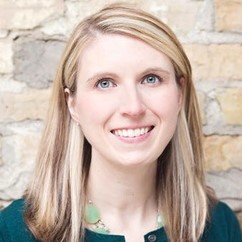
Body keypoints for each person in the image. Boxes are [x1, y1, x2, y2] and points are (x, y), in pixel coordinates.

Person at [0, 3, 241, 242]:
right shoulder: (12, 232)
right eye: (105, 83)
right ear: (71, 103)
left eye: (151, 78)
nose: (133, 107)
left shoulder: (220, 226)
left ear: (180, 93)